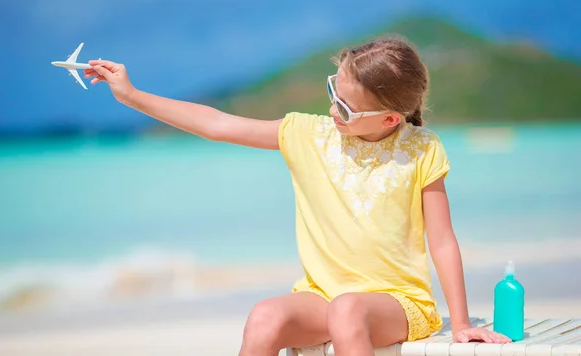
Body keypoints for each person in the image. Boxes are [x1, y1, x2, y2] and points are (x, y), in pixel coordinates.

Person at [85, 36, 511, 356]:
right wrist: (132, 95)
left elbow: (441, 240)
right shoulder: (308, 135)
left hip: (397, 304)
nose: (331, 110)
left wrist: (459, 323)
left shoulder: (422, 149)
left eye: (345, 108)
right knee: (266, 316)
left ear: (389, 117)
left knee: (348, 310)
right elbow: (216, 124)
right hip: (321, 296)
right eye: (332, 93)